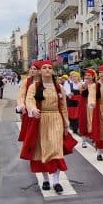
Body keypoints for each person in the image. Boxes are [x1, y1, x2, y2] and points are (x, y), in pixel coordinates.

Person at [21, 60, 72, 192]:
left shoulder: (58, 87)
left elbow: (63, 106)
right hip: (41, 119)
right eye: (44, 68)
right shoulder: (34, 86)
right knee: (42, 149)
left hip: (56, 118)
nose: (47, 70)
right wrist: (32, 110)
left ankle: (56, 181)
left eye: (50, 68)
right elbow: (29, 100)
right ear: (40, 71)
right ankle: (45, 179)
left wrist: (66, 123)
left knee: (55, 149)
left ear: (53, 71)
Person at [16, 63, 40, 142]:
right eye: (31, 69)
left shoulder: (44, 81)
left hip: (41, 107)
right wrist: (22, 105)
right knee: (29, 132)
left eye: (35, 69)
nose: (32, 71)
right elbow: (21, 95)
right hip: (28, 107)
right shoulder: (26, 81)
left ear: (39, 71)